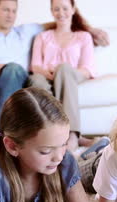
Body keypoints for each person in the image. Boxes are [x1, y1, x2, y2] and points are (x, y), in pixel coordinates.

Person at [0, 0, 109, 162]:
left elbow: (60, 20)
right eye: (5, 10)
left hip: (14, 78)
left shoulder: (26, 31)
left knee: (14, 69)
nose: (10, 15)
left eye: (13, 11)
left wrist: (89, 29)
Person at [29, 0, 97, 152]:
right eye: (56, 9)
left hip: (72, 75)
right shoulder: (42, 36)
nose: (61, 13)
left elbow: (87, 69)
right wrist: (52, 74)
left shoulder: (83, 36)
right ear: (52, 11)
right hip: (46, 75)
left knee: (64, 69)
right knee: (36, 81)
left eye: (65, 8)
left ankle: (71, 134)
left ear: (73, 9)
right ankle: (48, 136)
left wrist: (61, 72)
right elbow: (35, 66)